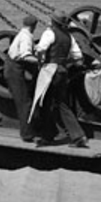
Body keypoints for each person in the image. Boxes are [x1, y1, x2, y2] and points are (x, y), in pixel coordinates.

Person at [35, 10, 87, 147]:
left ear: (53, 22)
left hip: (50, 71)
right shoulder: (69, 37)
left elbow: (41, 49)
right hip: (63, 72)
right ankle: (78, 136)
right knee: (62, 104)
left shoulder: (49, 33)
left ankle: (47, 136)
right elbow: (78, 57)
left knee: (45, 103)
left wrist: (40, 62)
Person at [6, 13, 41, 142]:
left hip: (12, 67)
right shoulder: (26, 37)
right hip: (14, 70)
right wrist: (41, 62)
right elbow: (25, 56)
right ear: (34, 26)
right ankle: (27, 135)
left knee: (25, 101)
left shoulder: (23, 34)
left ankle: (31, 130)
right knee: (24, 103)